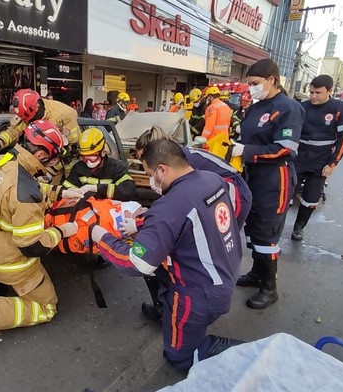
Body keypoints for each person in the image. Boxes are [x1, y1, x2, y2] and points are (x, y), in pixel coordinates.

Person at [91, 139, 243, 371]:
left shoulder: (170, 206)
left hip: (197, 297)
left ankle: (245, 354)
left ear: (162, 169)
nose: (151, 180)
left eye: (150, 173)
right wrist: (146, 221)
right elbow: (185, 216)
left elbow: (137, 263)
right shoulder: (211, 179)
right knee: (160, 270)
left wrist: (100, 237)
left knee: (177, 356)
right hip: (224, 271)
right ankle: (168, 313)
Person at [0, 120, 84, 346]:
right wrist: (62, 231)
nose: (53, 163)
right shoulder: (26, 193)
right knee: (48, 307)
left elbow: (20, 187)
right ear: (40, 154)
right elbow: (32, 247)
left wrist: (61, 192)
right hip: (9, 263)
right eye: (53, 157)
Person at [134, 127, 252, 322]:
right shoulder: (177, 163)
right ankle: (173, 304)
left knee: (214, 249)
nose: (144, 165)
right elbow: (177, 200)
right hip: (223, 192)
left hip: (233, 195)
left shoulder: (185, 163)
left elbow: (182, 202)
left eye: (144, 159)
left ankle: (192, 305)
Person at [232, 58, 305, 309]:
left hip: (275, 177)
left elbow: (285, 148)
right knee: (253, 227)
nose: (251, 88)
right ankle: (256, 273)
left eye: (255, 83)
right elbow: (245, 136)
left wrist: (245, 150)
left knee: (267, 231)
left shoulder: (288, 108)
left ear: (271, 80)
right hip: (253, 175)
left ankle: (269, 287)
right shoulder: (255, 107)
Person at [290, 75, 343, 241]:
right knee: (286, 193)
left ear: (330, 91)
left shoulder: (341, 109)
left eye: (318, 92)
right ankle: (275, 226)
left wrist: (333, 163)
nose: (313, 96)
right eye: (311, 92)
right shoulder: (302, 107)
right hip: (299, 157)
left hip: (321, 161)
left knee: (310, 198)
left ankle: (299, 227)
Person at [0, 89, 80, 184]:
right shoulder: (26, 112)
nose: (26, 122)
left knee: (66, 184)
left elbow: (68, 151)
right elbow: (14, 130)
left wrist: (48, 172)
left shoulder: (64, 116)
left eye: (28, 119)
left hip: (63, 159)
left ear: (37, 107)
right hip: (40, 160)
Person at [63, 128, 136, 201]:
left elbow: (128, 190)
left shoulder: (116, 168)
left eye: (92, 156)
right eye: (84, 157)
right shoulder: (78, 168)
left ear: (103, 153)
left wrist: (97, 188)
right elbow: (66, 189)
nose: (88, 161)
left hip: (111, 210)